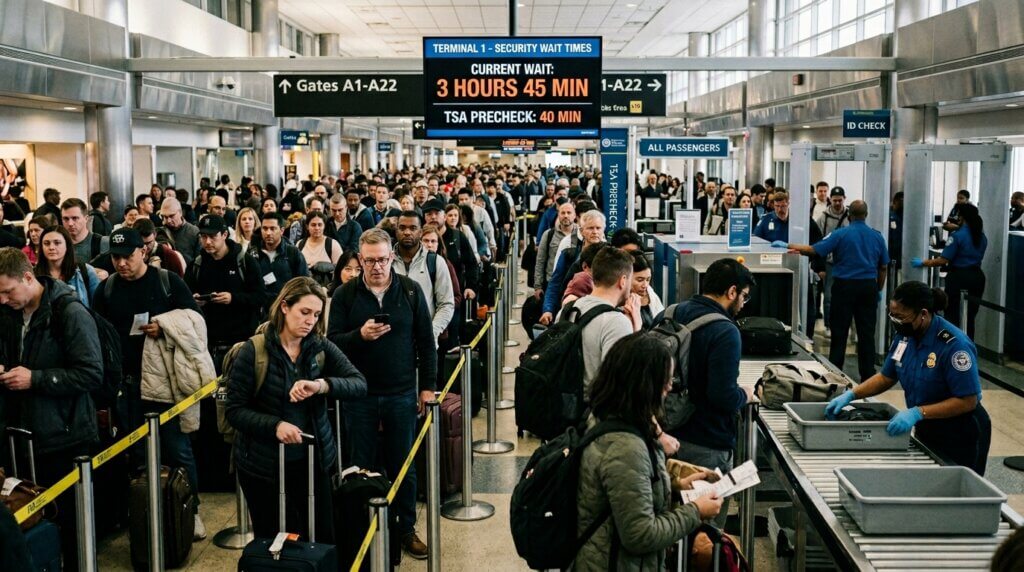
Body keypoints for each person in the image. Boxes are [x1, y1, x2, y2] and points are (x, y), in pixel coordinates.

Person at [225, 276, 367, 542]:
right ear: (284, 307)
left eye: (316, 314)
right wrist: (275, 426)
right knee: (276, 540)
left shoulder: (319, 346)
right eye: (304, 312)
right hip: (264, 467)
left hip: (313, 462)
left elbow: (359, 383)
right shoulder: (253, 351)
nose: (310, 321)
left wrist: (321, 385)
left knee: (321, 536)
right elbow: (235, 410)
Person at [327, 228, 436, 559]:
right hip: (359, 394)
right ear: (360, 260)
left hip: (402, 391)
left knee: (403, 462)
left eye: (383, 260)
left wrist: (428, 387)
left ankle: (405, 527)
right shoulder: (345, 295)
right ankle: (364, 528)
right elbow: (331, 343)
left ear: (392, 258)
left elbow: (426, 344)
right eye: (370, 260)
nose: (377, 266)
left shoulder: (411, 292)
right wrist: (359, 335)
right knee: (362, 464)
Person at [93, 228, 208, 537]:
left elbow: (195, 319)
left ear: (142, 252)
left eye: (127, 257)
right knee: (138, 454)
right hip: (127, 385)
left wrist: (166, 326)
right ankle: (147, 514)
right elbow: (99, 335)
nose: (121, 264)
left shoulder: (166, 281)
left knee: (177, 448)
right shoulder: (106, 290)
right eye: (115, 258)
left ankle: (191, 509)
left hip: (164, 382)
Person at [575, 332, 721, 571]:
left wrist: (674, 487)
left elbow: (622, 494)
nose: (670, 387)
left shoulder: (607, 416)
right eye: (665, 380)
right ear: (645, 383)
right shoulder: (626, 447)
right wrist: (695, 511)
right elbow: (640, 535)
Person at [0, 247, 102, 570]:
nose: (3, 299)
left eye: (7, 291)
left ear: (28, 278)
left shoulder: (69, 312)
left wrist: (37, 379)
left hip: (66, 438)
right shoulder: (11, 315)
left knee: (72, 529)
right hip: (27, 441)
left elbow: (91, 372)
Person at [826, 281, 990, 474]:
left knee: (959, 494)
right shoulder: (905, 336)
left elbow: (968, 400)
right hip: (927, 425)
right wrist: (852, 394)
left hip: (961, 430)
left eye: (901, 317)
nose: (896, 321)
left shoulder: (954, 346)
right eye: (892, 315)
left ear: (923, 314)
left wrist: (917, 412)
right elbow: (887, 376)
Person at [656, 258, 756, 526]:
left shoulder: (669, 313)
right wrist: (745, 394)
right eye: (743, 296)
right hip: (707, 445)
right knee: (704, 536)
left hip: (664, 437)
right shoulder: (726, 331)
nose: (743, 304)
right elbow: (722, 395)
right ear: (731, 291)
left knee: (668, 525)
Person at [781, 200, 888, 381]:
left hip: (844, 287)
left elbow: (813, 250)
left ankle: (835, 373)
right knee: (866, 334)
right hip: (867, 288)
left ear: (849, 214)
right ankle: (868, 376)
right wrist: (877, 288)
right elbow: (883, 267)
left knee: (839, 332)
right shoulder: (877, 237)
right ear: (866, 215)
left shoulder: (840, 234)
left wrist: (787, 245)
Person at [556, 247, 641, 394]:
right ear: (623, 281)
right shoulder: (616, 322)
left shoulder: (568, 309)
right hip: (594, 411)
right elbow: (621, 382)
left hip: (563, 407)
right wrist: (637, 330)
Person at [187, 215, 267, 364]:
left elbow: (260, 296)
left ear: (224, 235)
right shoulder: (196, 265)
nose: (207, 242)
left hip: (240, 343)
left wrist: (233, 298)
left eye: (212, 236)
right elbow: (185, 300)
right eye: (203, 237)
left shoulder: (245, 262)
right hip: (207, 343)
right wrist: (195, 301)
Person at [912, 203, 987, 339]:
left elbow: (943, 260)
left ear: (962, 217)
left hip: (959, 277)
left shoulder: (957, 236)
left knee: (952, 314)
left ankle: (951, 346)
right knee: (970, 316)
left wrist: (923, 262)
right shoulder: (981, 236)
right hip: (977, 277)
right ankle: (967, 345)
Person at [393, 211, 455, 344]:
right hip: (393, 344)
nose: (407, 232)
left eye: (413, 228)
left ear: (420, 232)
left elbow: (446, 304)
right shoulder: (385, 262)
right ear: (396, 231)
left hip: (426, 344)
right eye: (402, 228)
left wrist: (431, 332)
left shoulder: (435, 262)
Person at [540, 210, 607, 325]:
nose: (595, 232)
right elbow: (555, 283)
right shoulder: (569, 254)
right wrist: (548, 310)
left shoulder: (610, 255)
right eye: (590, 228)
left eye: (598, 228)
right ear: (582, 231)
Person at [249, 212, 310, 312]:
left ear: (281, 231)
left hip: (287, 308)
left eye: (272, 228)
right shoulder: (253, 253)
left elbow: (304, 282)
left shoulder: (292, 253)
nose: (268, 233)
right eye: (265, 228)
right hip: (259, 309)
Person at [35, 226, 101, 307]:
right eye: (46, 243)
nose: (51, 247)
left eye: (57, 243)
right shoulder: (33, 275)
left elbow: (98, 307)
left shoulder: (86, 271)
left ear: (67, 245)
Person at [815, 187, 850, 330]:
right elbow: (818, 241)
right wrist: (820, 266)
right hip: (829, 262)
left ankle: (844, 324)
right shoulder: (824, 217)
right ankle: (829, 325)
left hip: (846, 262)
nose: (837, 203)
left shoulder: (850, 216)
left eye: (839, 200)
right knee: (828, 295)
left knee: (846, 295)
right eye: (834, 200)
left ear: (844, 199)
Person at [534, 198, 576, 299]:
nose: (566, 215)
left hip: (574, 285)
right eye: (563, 213)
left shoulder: (581, 234)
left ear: (574, 216)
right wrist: (538, 286)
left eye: (569, 213)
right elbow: (540, 261)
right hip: (552, 284)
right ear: (558, 215)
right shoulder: (548, 234)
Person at [297, 212, 342, 289]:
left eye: (320, 225)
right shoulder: (300, 244)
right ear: (307, 226)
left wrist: (327, 267)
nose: (317, 228)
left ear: (324, 226)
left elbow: (341, 268)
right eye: (313, 225)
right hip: (304, 289)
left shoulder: (333, 244)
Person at [61, 198, 109, 264]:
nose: (70, 223)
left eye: (75, 218)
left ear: (86, 219)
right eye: (66, 219)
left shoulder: (102, 243)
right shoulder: (58, 245)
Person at [157, 198, 201, 265]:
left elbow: (199, 260)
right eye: (165, 217)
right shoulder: (159, 232)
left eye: (171, 216)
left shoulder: (194, 232)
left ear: (180, 213)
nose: (168, 221)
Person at [631, 252, 664, 329]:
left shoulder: (651, 294)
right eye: (640, 280)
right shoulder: (621, 303)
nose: (645, 285)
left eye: (648, 279)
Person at [889, 191, 904, 268]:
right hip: (891, 254)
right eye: (900, 201)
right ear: (894, 202)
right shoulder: (889, 216)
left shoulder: (904, 216)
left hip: (900, 254)